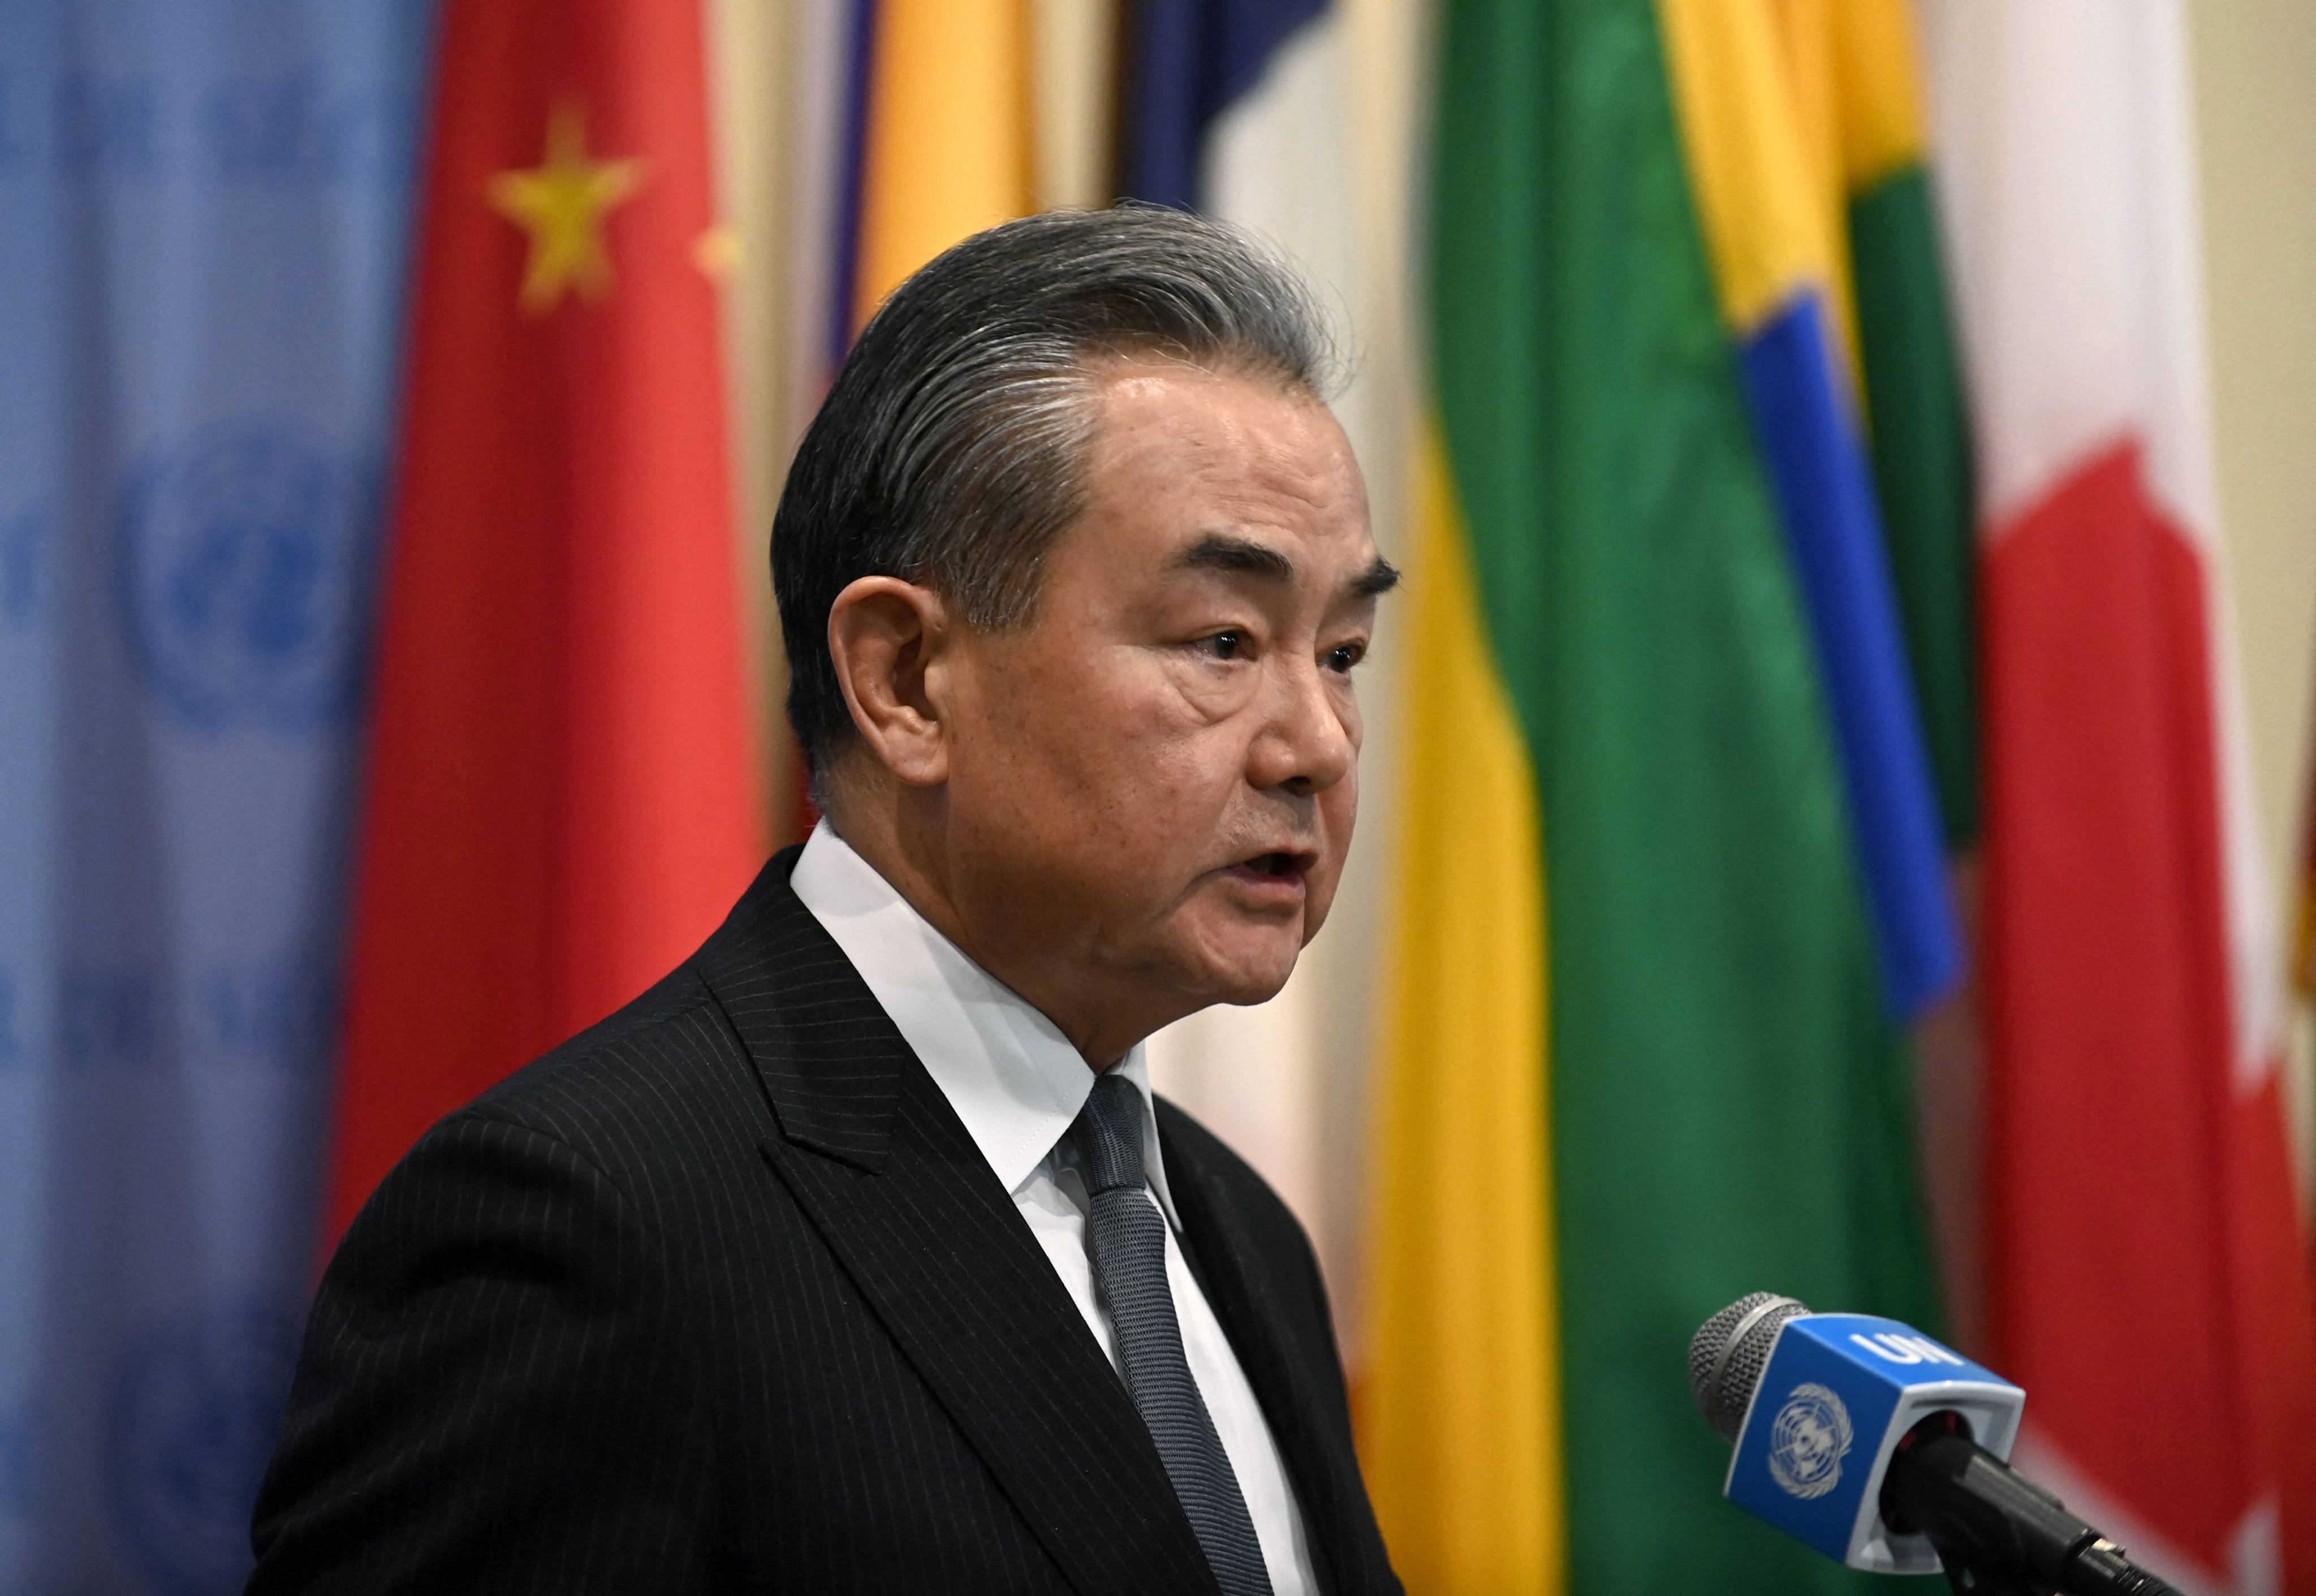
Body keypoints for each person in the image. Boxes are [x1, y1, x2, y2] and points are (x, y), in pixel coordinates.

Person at [248, 206, 1403, 1595]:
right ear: (905, 679)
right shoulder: (590, 1228)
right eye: (1223, 640)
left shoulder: (1235, 1232)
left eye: (1339, 651)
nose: (1317, 746)